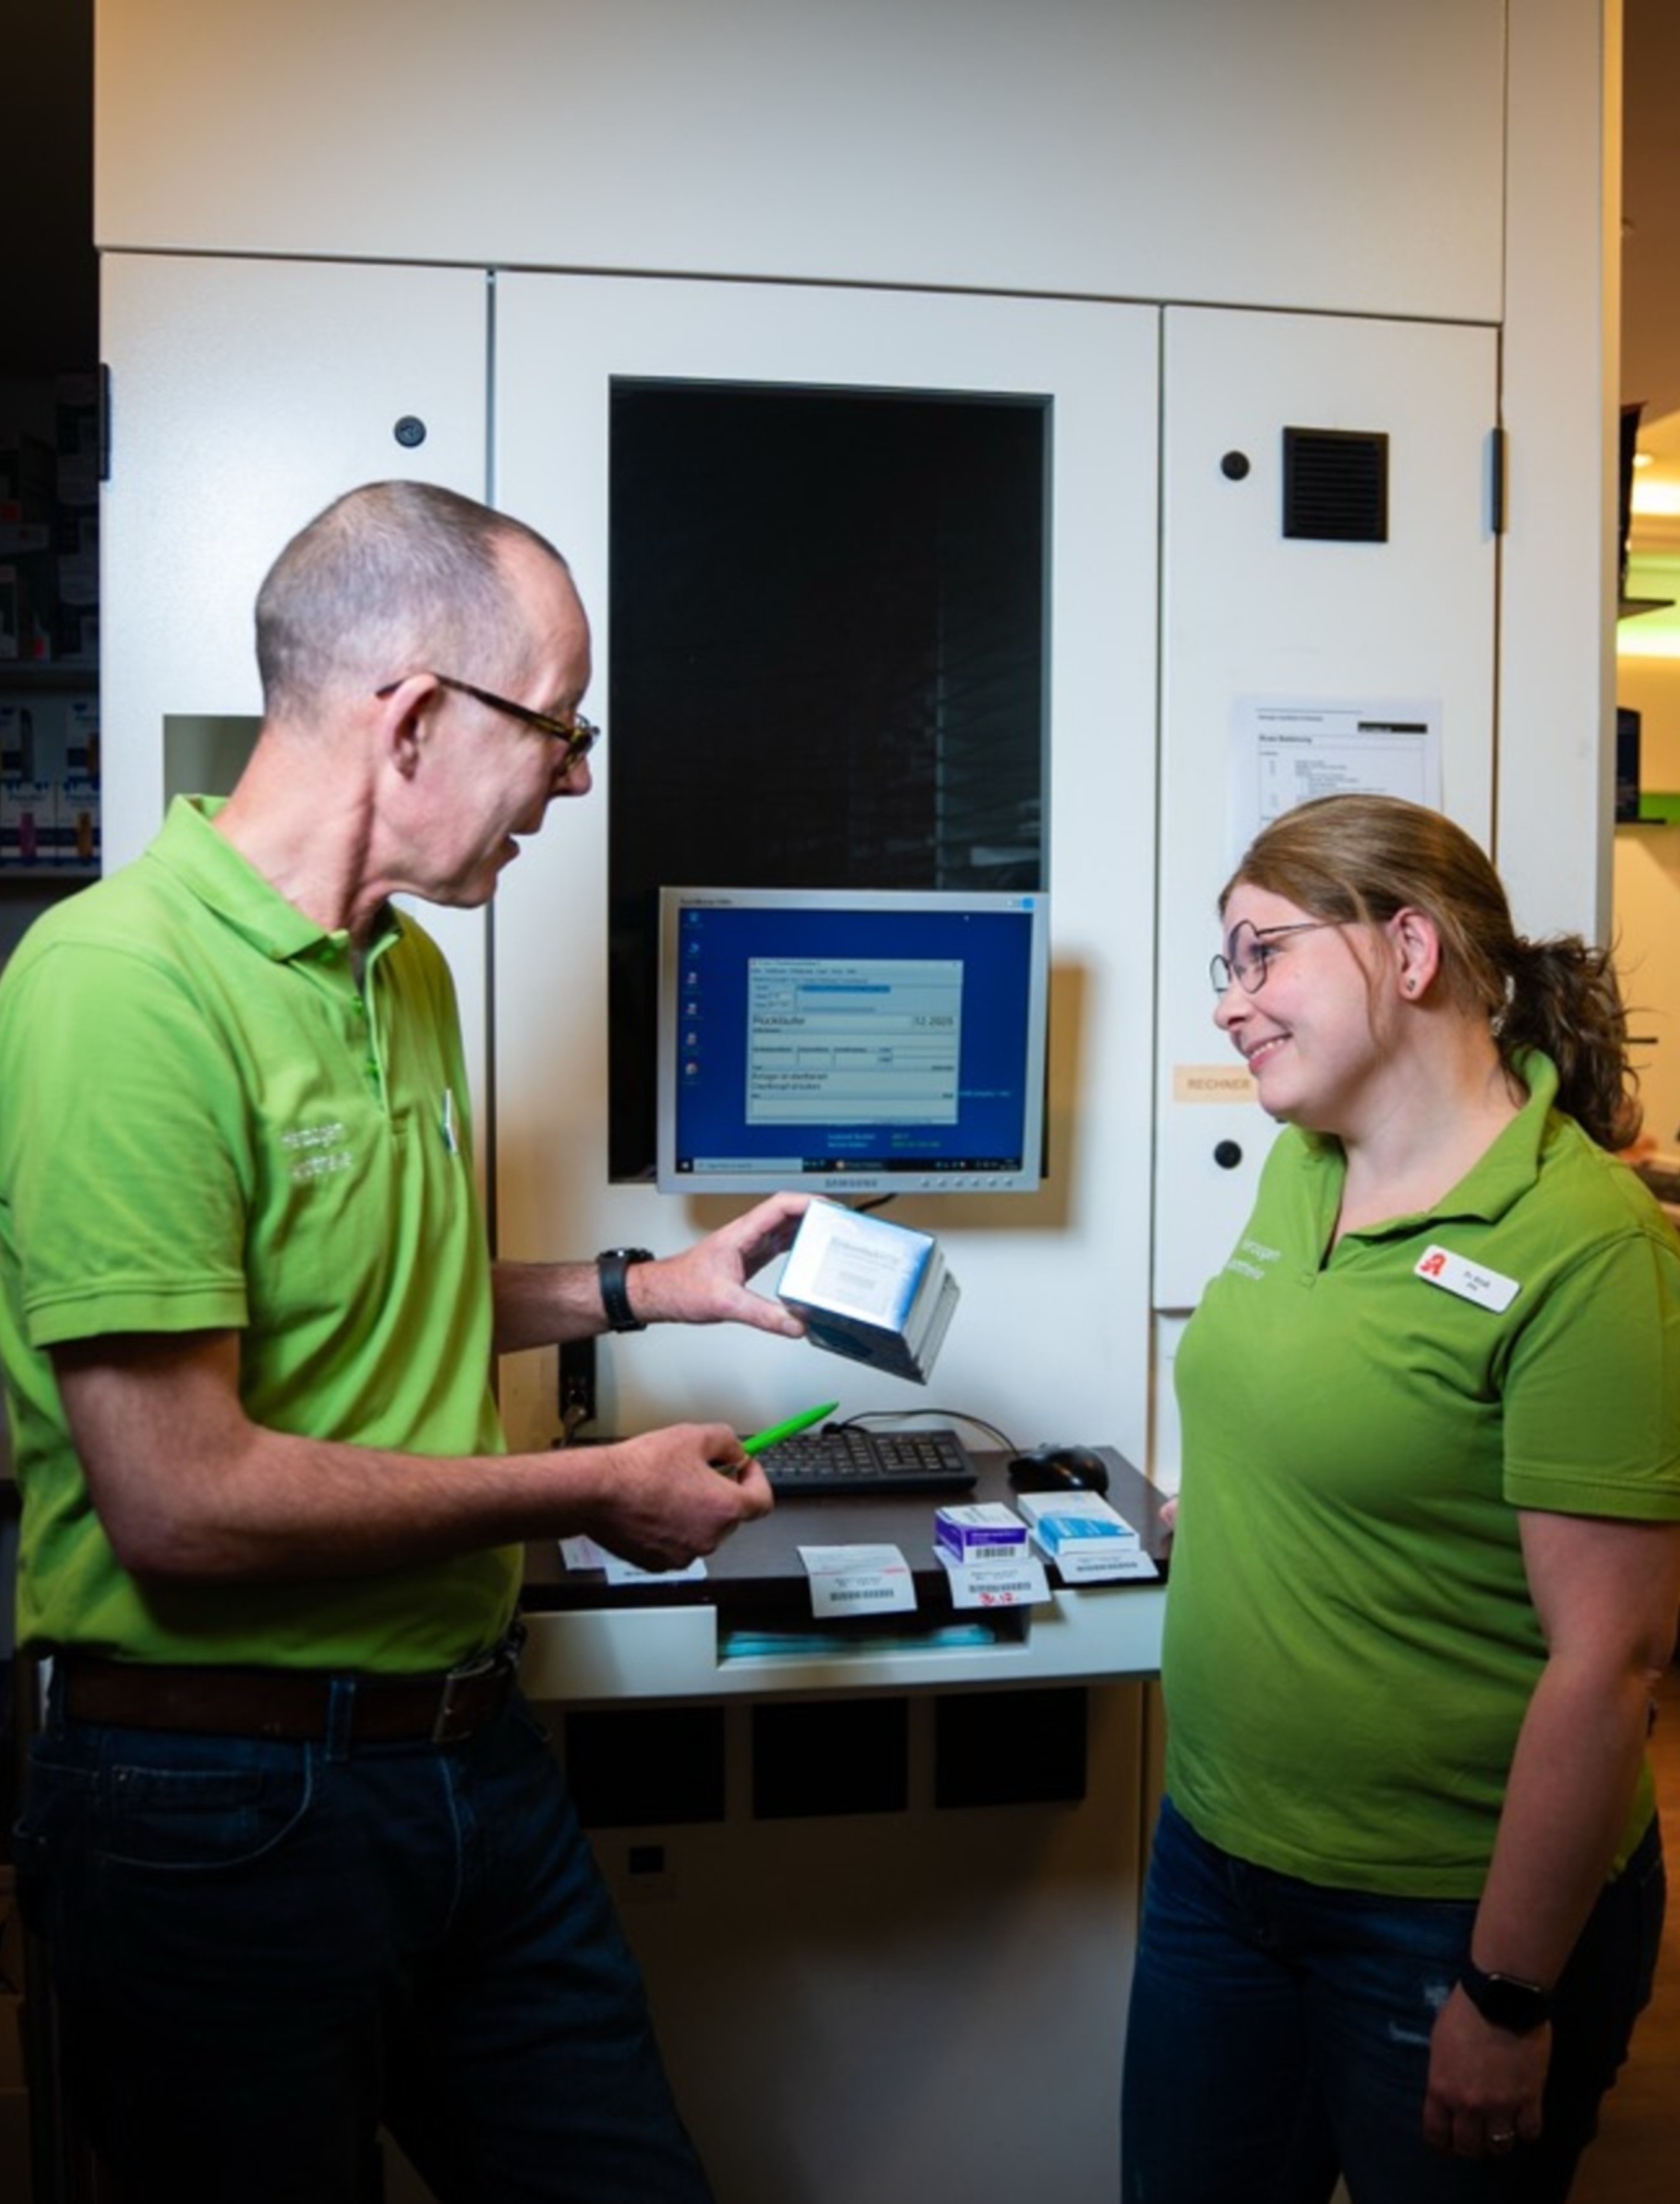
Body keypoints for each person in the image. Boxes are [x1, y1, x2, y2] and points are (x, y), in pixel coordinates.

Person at [0, 480, 814, 2204]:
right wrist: (588, 1485)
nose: (579, 777)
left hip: (461, 1753)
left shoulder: (401, 969)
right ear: (418, 714)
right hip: (211, 1791)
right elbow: (179, 1497)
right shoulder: (119, 985)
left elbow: (379, 1284)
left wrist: (635, 1291)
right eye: (561, 726)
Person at [1122, 793, 1680, 2204]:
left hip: (1438, 1914)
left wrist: (1500, 1993)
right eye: (1223, 970)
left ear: (1408, 949)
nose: (1232, 1007)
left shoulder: (1585, 1248)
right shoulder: (1305, 1165)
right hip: (1215, 1858)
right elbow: (1312, 1423)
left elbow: (1606, 1663)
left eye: (1259, 956)